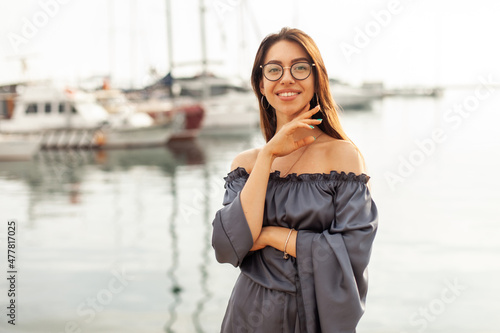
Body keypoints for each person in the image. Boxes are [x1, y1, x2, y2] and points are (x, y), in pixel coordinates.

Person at [211, 27, 378, 332]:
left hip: (311, 316)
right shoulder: (246, 164)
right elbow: (227, 247)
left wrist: (271, 236)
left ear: (317, 79)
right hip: (247, 315)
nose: (286, 78)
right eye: (274, 70)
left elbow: (353, 252)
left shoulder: (343, 156)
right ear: (261, 84)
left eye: (300, 68)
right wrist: (268, 156)